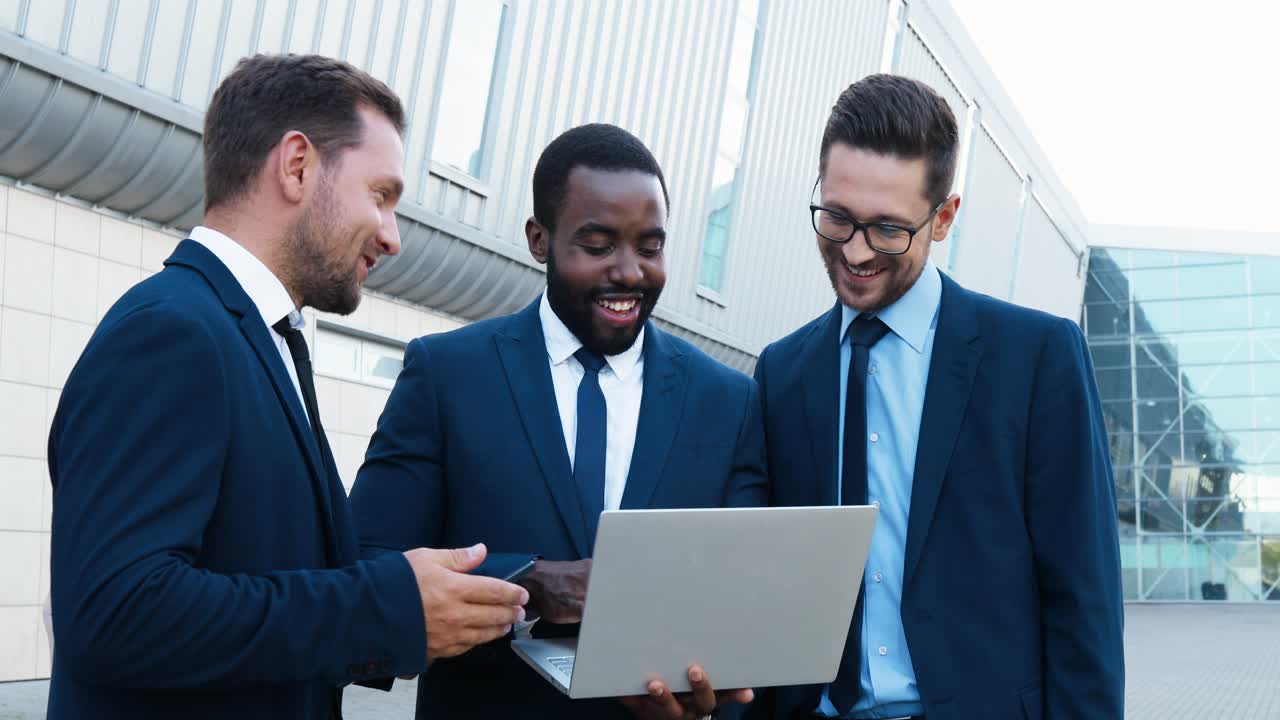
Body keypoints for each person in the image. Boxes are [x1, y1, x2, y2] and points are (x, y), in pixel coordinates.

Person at [46, 54, 527, 720]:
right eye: (382, 196)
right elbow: (117, 613)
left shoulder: (257, 337)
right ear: (297, 165)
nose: (391, 237)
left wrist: (413, 595)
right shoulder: (174, 333)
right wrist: (383, 606)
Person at [348, 123, 766, 719]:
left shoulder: (729, 402)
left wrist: (711, 694)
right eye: (597, 246)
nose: (629, 272)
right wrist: (528, 581)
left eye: (650, 247)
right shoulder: (447, 374)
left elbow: (744, 594)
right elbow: (369, 561)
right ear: (539, 239)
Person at [746, 74, 1124, 719]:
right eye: (836, 218)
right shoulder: (781, 373)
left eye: (888, 229)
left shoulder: (1037, 358)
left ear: (942, 218)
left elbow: (1082, 597)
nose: (856, 251)